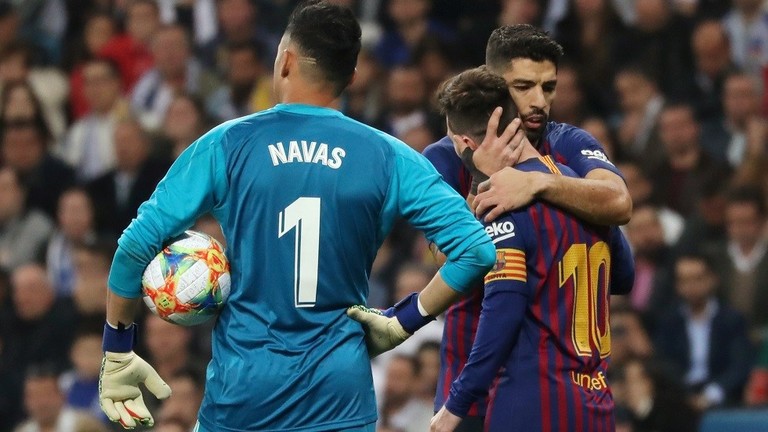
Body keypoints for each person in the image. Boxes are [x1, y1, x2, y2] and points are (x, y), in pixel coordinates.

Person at [97, 2, 496, 431]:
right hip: (338, 397)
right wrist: (403, 321)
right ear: (351, 77)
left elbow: (135, 245)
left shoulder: (228, 144)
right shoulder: (389, 155)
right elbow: (475, 251)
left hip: (244, 394)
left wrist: (118, 348)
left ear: (285, 61)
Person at [422, 24, 632, 431]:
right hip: (469, 375)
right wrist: (483, 182)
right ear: (492, 85)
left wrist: (538, 182)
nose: (539, 102)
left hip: (542, 379)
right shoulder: (448, 156)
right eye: (523, 86)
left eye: (548, 87)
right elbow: (447, 258)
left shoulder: (570, 144)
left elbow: (619, 203)